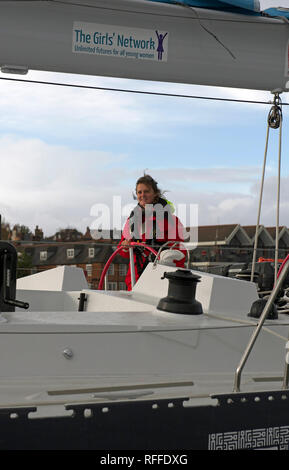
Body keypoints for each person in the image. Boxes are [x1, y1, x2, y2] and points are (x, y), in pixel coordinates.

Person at [118, 175, 186, 290]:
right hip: (135, 280)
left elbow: (180, 253)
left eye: (146, 191)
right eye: (139, 192)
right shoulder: (131, 221)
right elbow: (123, 252)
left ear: (155, 193)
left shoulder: (170, 220)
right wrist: (125, 246)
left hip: (161, 280)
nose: (142, 195)